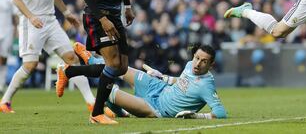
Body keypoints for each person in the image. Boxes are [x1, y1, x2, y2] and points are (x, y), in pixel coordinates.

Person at [0, 0, 96, 113]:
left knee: (72, 58)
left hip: (51, 21)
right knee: (30, 65)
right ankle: (5, 101)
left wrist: (66, 12)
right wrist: (30, 17)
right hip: (32, 23)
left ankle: (92, 103)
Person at [55, 0, 137, 124]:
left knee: (122, 67)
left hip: (115, 15)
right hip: (96, 16)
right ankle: (97, 114)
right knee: (113, 63)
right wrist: (102, 18)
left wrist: (127, 7)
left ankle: (69, 70)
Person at [73, 42, 227, 119]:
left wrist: (196, 116)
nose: (197, 63)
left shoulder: (206, 85)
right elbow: (181, 82)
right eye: (196, 58)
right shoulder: (189, 65)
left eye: (203, 61)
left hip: (156, 108)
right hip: (158, 87)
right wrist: (162, 76)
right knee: (120, 68)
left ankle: (121, 112)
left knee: (108, 91)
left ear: (211, 65)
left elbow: (220, 113)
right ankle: (92, 60)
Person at [0, 0, 16, 94]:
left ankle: (1, 85)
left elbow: (15, 16)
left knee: (4, 58)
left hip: (7, 31)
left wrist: (17, 31)